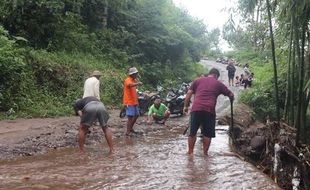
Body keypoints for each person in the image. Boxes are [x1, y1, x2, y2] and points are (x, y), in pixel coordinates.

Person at [183, 68, 234, 156]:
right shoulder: (219, 84)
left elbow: (188, 94)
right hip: (209, 111)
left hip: (196, 109)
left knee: (192, 132)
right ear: (216, 76)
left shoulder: (197, 81)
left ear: (209, 74)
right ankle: (205, 154)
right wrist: (231, 99)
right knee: (207, 134)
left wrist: (185, 106)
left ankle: (190, 153)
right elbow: (231, 94)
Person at [123, 67, 142, 136]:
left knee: (137, 115)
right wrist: (137, 83)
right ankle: (128, 132)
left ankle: (130, 128)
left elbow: (134, 90)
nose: (136, 75)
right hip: (129, 101)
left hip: (134, 101)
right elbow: (130, 85)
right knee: (130, 117)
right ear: (132, 74)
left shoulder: (134, 80)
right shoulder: (127, 80)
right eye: (136, 74)